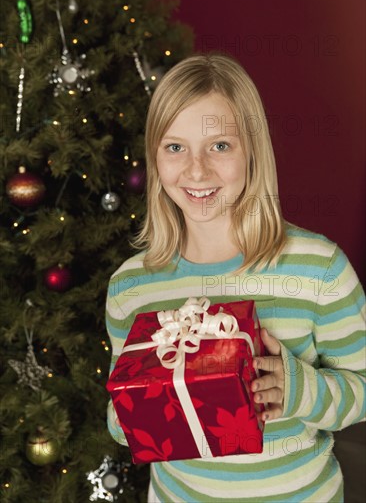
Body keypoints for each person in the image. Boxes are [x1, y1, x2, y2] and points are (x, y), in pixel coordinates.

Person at [106, 52, 365, 502]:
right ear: (155, 158)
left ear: (252, 151)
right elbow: (117, 416)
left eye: (219, 146)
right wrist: (137, 408)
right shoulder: (131, 288)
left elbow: (362, 387)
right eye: (175, 147)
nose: (196, 170)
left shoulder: (318, 270)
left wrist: (299, 389)